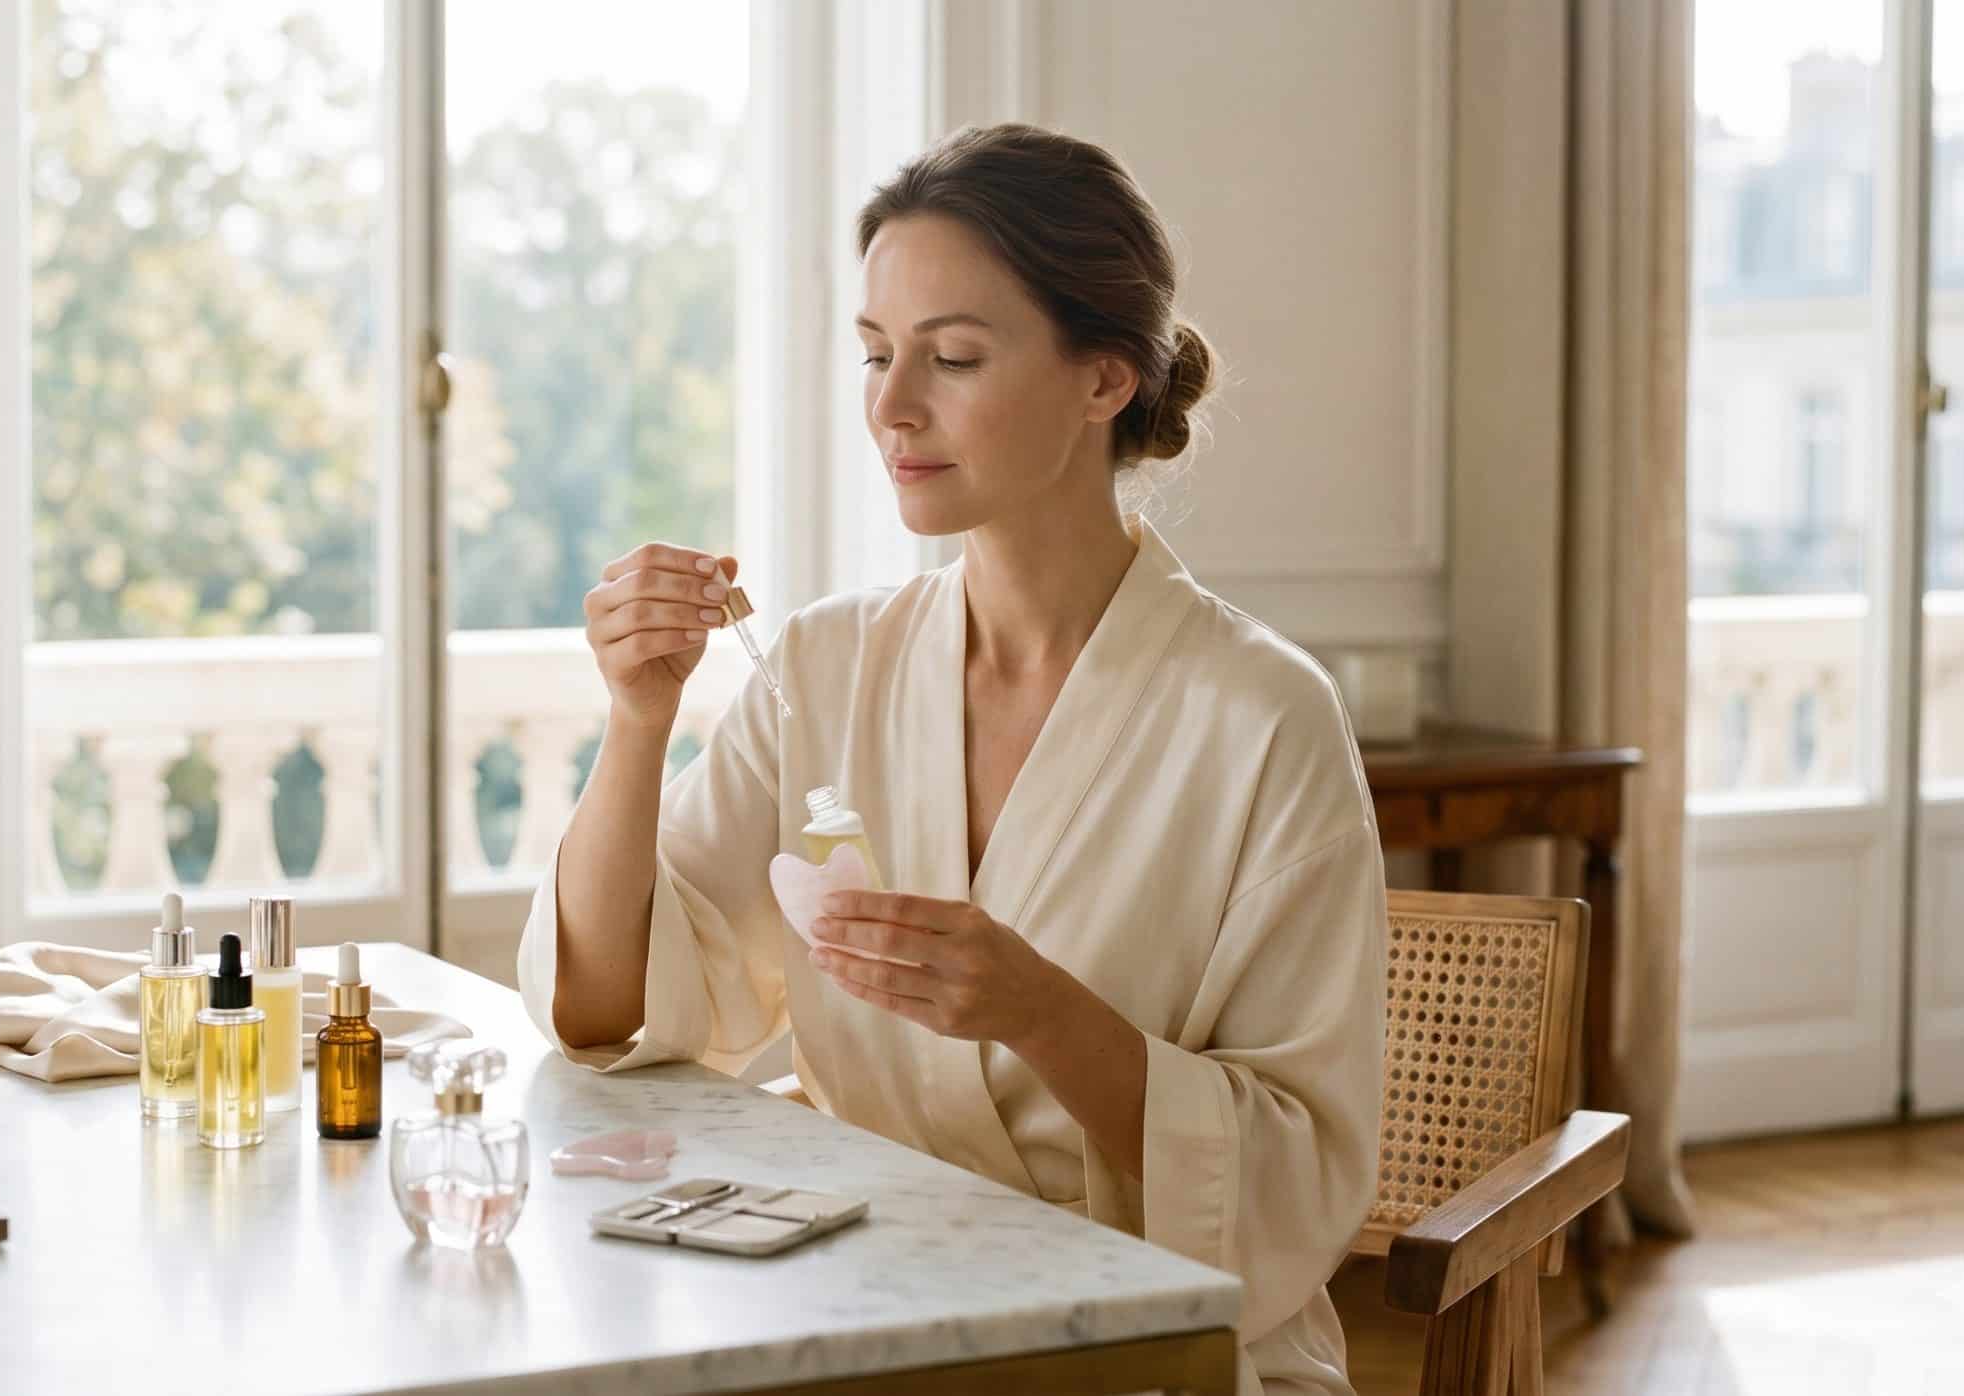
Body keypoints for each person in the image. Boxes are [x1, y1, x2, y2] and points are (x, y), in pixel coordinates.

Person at [516, 122, 1383, 1395]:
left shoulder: (1261, 718)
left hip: (1145, 1345)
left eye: (954, 357)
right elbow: (610, 1016)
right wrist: (638, 720)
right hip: (859, 1306)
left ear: (1104, 380)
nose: (891, 405)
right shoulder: (822, 667)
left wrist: (1042, 1012)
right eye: (873, 354)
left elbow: (1299, 1180)